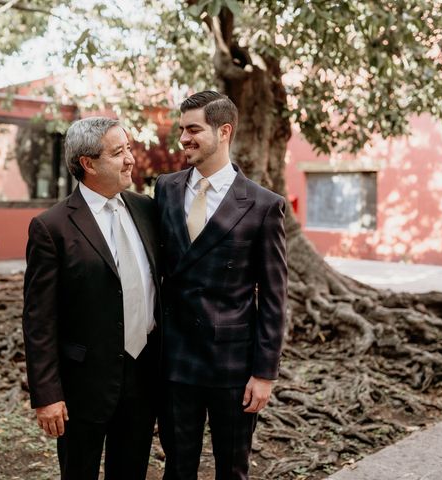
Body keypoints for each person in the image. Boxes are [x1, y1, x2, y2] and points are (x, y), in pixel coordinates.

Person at [154, 91, 287, 480]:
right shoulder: (165, 188)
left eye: (194, 129)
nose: (184, 139)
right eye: (182, 130)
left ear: (223, 131)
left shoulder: (263, 205)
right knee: (178, 468)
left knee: (233, 469)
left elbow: (275, 298)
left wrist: (265, 374)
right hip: (175, 360)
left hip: (233, 366)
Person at [22, 117, 160, 480]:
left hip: (143, 376)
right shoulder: (51, 228)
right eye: (119, 152)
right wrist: (47, 395)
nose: (130, 158)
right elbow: (39, 320)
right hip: (82, 385)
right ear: (89, 163)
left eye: (129, 148)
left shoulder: (145, 209)